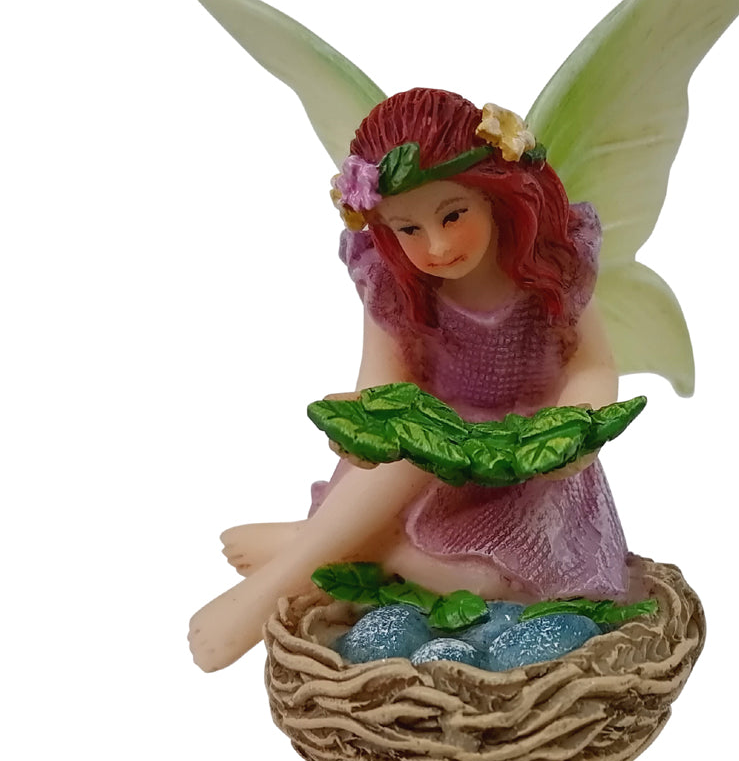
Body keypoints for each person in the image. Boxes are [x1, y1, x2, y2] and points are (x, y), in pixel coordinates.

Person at [188, 89, 629, 672]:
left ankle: (337, 545)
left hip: (523, 473)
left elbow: (592, 365)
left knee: (500, 584)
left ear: (495, 196)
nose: (437, 246)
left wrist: (572, 426)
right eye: (408, 229)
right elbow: (386, 384)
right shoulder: (395, 285)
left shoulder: (549, 271)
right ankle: (262, 598)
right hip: (421, 464)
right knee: (414, 439)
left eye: (453, 216)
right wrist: (362, 419)